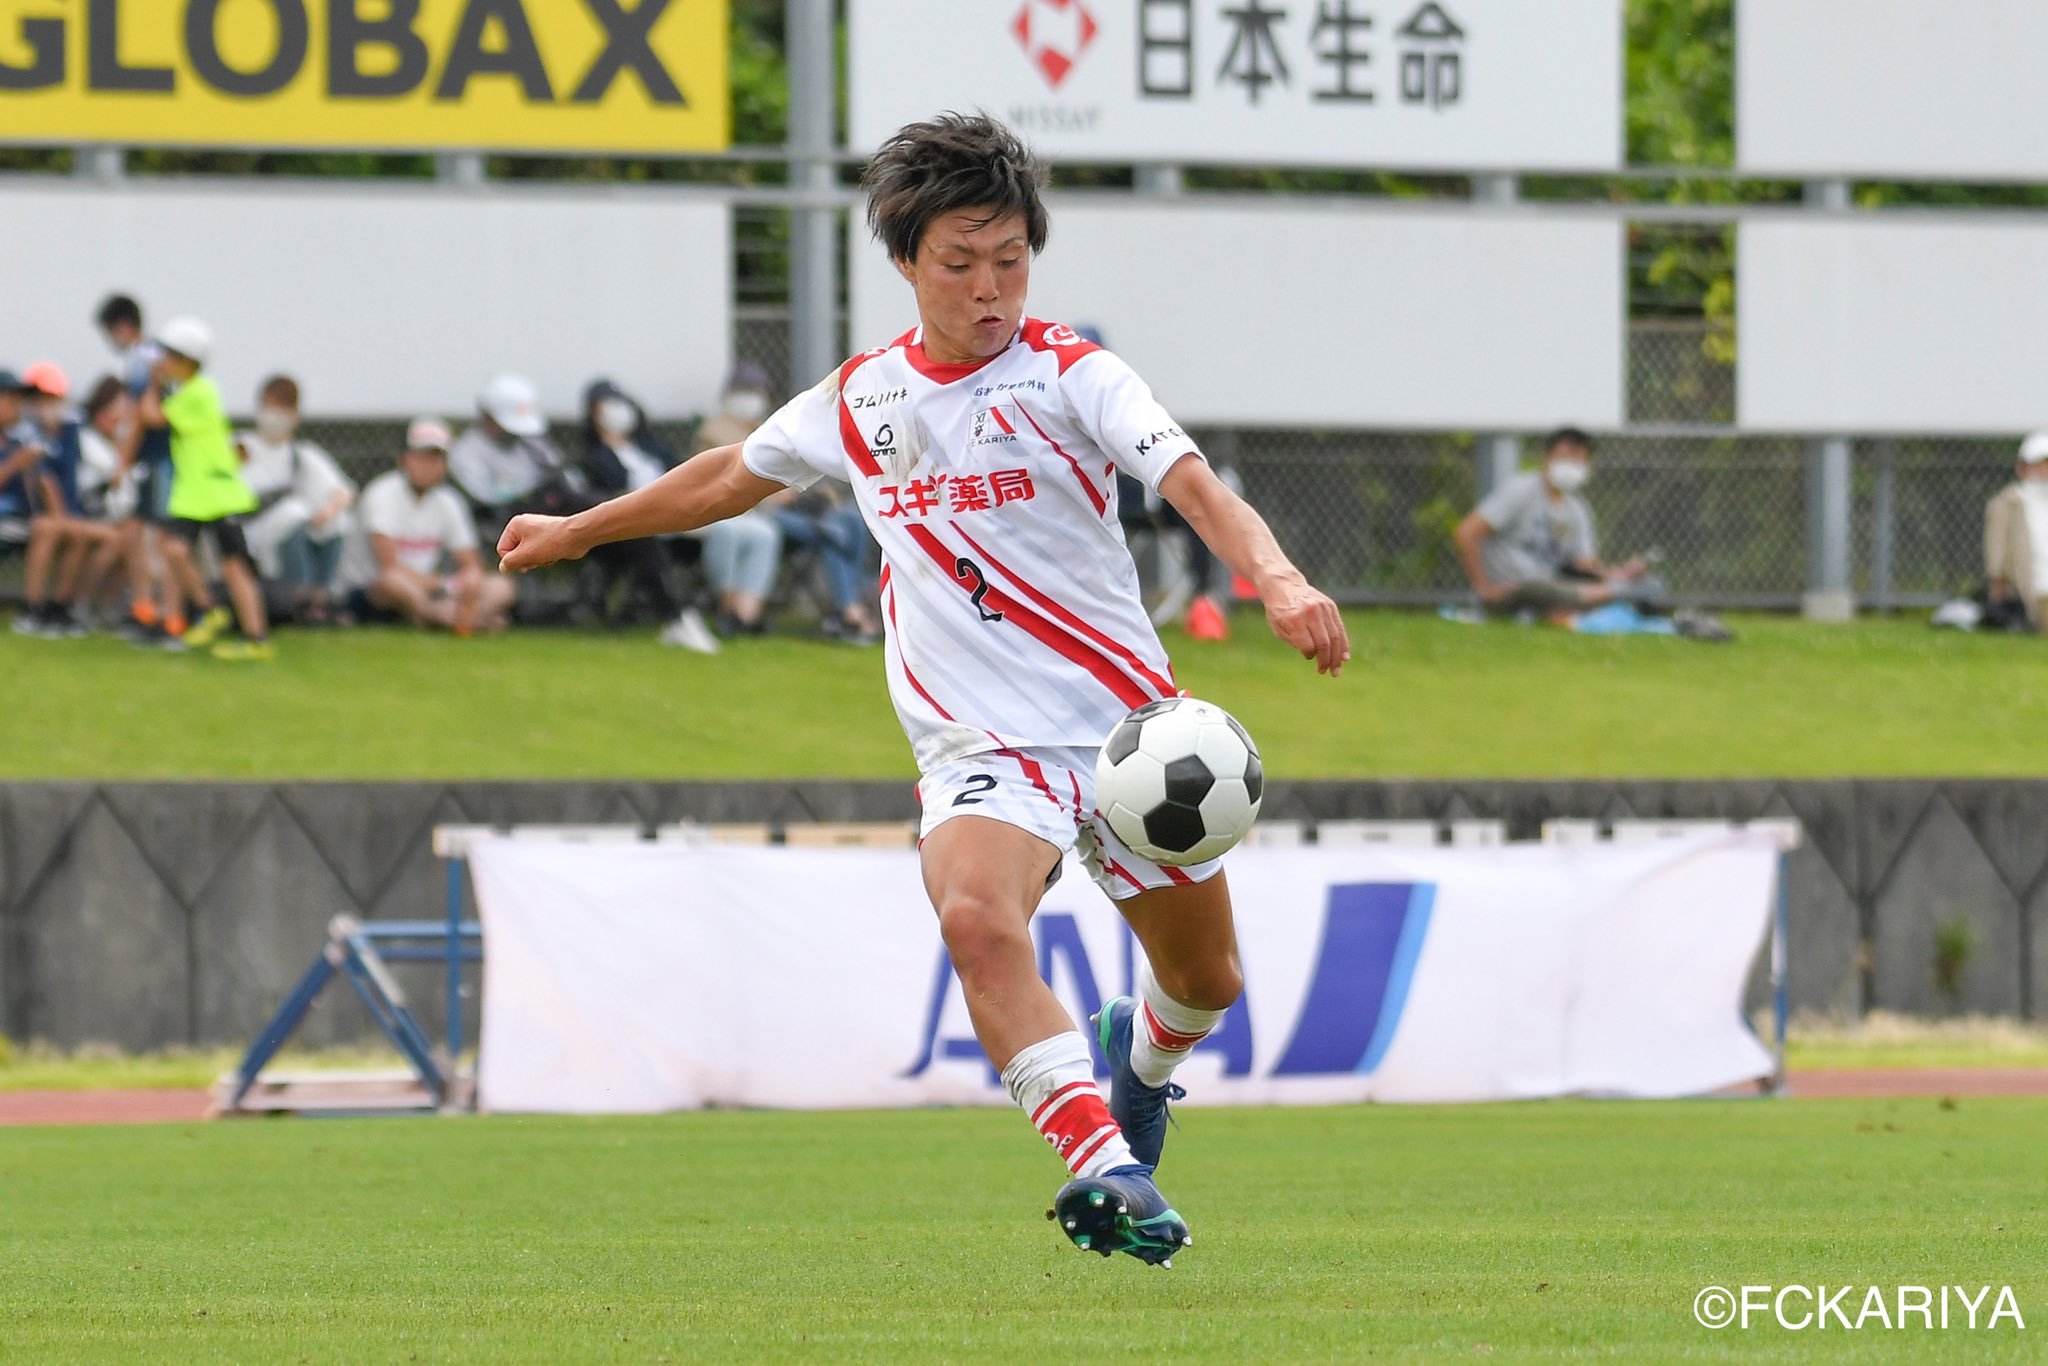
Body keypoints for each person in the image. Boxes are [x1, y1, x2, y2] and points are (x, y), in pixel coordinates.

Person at [498, 113, 1350, 1266]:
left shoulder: (1072, 374)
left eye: (1010, 260)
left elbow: (1191, 485)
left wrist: (1281, 579)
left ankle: (1140, 1068)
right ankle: (1105, 1170)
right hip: (980, 747)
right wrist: (576, 531)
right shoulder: (859, 401)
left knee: (1205, 983)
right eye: (960, 262)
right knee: (973, 920)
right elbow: (719, 479)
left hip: (1124, 741)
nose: (989, 288)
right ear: (905, 260)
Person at [698, 365, 879, 644]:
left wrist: (813, 493)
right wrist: (773, 494)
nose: (750, 399)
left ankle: (849, 606)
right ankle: (848, 611)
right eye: (743, 392)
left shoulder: (770, 425)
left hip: (793, 507)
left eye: (756, 392)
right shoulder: (715, 432)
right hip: (760, 512)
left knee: (851, 521)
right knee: (832, 533)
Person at [140, 317, 274, 661]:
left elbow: (151, 416)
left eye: (168, 356)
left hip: (216, 492)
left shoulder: (199, 392)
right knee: (174, 549)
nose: (162, 362)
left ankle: (256, 639)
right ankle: (207, 608)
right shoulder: (190, 391)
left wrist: (152, 384)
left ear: (185, 360)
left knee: (234, 566)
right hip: (196, 494)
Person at [1453, 427, 1658, 621]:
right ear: (1546, 457)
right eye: (1565, 457)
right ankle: (1620, 594)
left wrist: (1618, 574)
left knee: (1645, 584)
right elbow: (1466, 533)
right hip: (1512, 589)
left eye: (1578, 460)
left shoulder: (1577, 509)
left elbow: (1583, 567)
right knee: (1539, 588)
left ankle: (1620, 591)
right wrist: (1483, 589)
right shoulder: (1520, 490)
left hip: (1556, 588)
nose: (1571, 465)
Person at [577, 379, 721, 652]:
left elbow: (682, 473)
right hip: (634, 526)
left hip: (681, 519)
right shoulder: (594, 456)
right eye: (606, 405)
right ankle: (676, 617)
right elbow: (610, 489)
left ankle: (732, 614)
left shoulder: (650, 447)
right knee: (647, 543)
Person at [338, 417, 515, 634]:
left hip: (432, 590)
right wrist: (444, 585)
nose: (428, 466)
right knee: (392, 582)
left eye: (436, 459)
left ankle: (450, 618)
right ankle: (463, 620)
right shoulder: (382, 494)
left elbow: (470, 562)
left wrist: (470, 580)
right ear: (404, 459)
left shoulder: (449, 501)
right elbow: (389, 566)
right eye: (422, 458)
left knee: (502, 586)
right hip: (374, 590)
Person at [9, 363, 122, 637]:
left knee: (111, 537)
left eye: (49, 398)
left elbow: (72, 478)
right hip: (31, 514)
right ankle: (34, 608)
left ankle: (65, 605)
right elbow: (44, 483)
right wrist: (66, 517)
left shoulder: (70, 429)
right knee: (57, 528)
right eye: (38, 399)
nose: (43, 405)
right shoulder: (24, 433)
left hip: (68, 513)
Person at [235, 375, 355, 624]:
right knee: (293, 514)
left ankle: (320, 597)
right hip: (250, 530)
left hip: (294, 527)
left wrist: (327, 513)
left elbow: (343, 492)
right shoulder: (240, 447)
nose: (275, 415)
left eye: (283, 408)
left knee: (337, 521)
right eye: (271, 406)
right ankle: (299, 596)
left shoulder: (300, 454)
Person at [96, 294, 176, 642]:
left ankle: (162, 615)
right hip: (154, 460)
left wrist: (121, 463)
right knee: (138, 534)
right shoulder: (158, 355)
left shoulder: (141, 358)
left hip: (158, 459)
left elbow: (137, 416)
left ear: (123, 328)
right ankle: (146, 610)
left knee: (156, 539)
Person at [1984, 430, 2048, 633]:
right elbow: (1997, 546)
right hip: (2031, 590)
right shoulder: (2008, 502)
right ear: (2023, 468)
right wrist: (1998, 580)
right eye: (2039, 464)